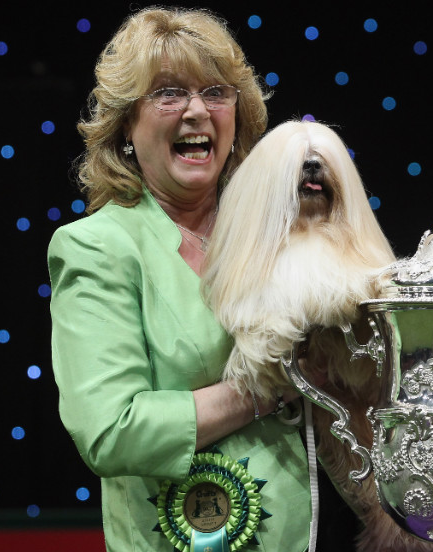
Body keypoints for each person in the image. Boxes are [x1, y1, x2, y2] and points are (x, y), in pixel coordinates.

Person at [47, 8, 312, 551]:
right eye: (168, 94)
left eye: (216, 92)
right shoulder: (97, 246)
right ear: (126, 124)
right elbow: (111, 429)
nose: (196, 111)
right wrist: (262, 390)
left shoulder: (286, 233)